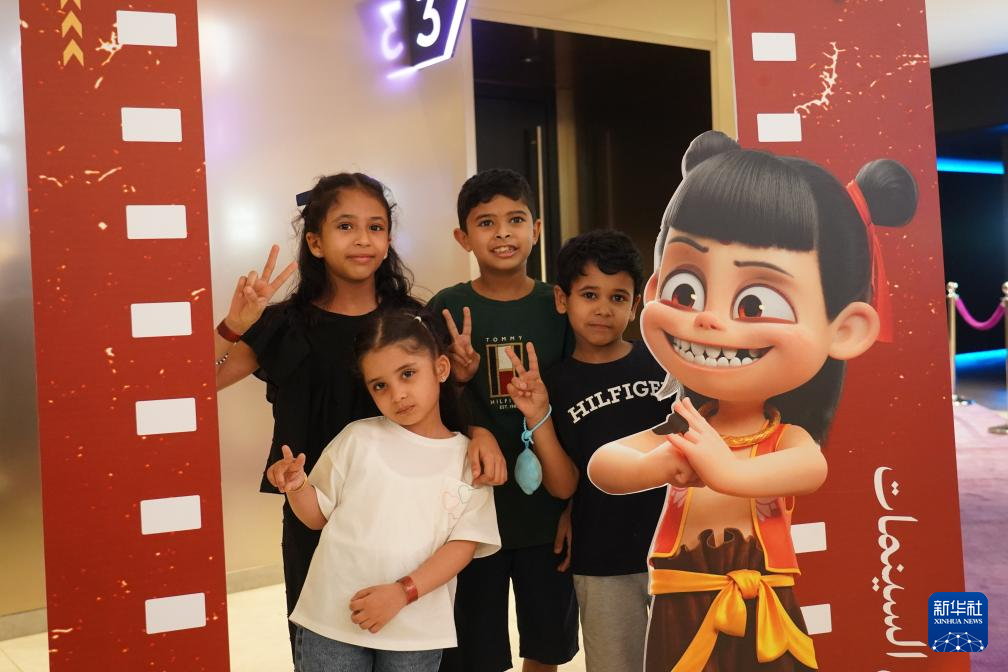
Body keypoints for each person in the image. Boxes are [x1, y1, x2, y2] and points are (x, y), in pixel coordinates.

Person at [588, 130, 918, 671]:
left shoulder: (783, 437)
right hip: (680, 600)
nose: (707, 319)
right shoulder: (684, 429)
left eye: (754, 302)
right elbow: (606, 463)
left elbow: (808, 468)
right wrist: (656, 463)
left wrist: (726, 471)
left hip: (764, 606)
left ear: (845, 329)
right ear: (654, 290)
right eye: (686, 290)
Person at [212, 173, 506, 653]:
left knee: (412, 649)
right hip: (316, 512)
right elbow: (192, 386)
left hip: (415, 520)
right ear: (316, 242)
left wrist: (481, 431)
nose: (363, 239)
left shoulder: (413, 320)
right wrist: (232, 327)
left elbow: (446, 405)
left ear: (388, 240)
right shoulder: (283, 325)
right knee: (323, 646)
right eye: (346, 226)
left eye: (376, 227)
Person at [268, 309, 501, 672]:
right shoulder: (357, 438)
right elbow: (316, 517)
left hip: (416, 629)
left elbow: (463, 546)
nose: (398, 394)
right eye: (380, 385)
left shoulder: (468, 459)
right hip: (332, 619)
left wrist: (402, 592)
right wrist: (297, 487)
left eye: (407, 374)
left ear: (441, 368)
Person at [429, 168, 578, 672]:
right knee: (477, 651)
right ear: (463, 237)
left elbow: (578, 406)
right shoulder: (448, 307)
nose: (502, 233)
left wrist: (573, 508)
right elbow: (423, 406)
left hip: (546, 515)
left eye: (515, 220)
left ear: (536, 229)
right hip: (472, 517)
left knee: (546, 644)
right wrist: (458, 378)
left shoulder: (559, 304)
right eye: (486, 222)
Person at [504, 230, 673, 672]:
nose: (603, 308)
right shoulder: (556, 384)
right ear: (563, 300)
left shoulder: (665, 364)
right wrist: (539, 416)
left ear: (635, 306)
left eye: (618, 297)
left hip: (679, 552)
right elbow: (564, 486)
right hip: (602, 560)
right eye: (589, 294)